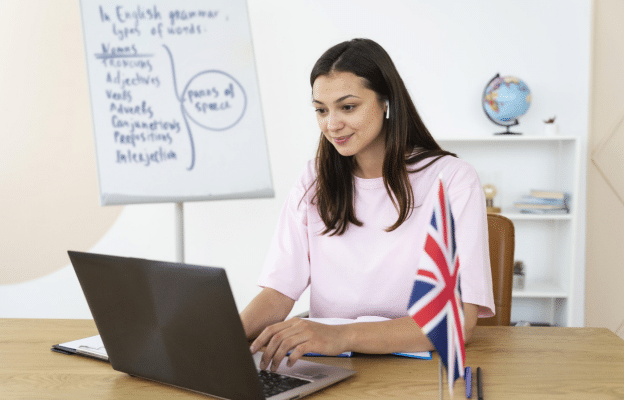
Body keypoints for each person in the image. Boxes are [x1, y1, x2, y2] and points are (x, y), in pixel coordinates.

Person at [240, 38, 494, 372]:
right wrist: (219, 340)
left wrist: (340, 336)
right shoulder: (314, 178)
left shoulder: (453, 180)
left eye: (347, 107)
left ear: (386, 102)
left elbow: (458, 319)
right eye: (321, 110)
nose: (332, 124)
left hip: (421, 375)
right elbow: (277, 294)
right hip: (329, 370)